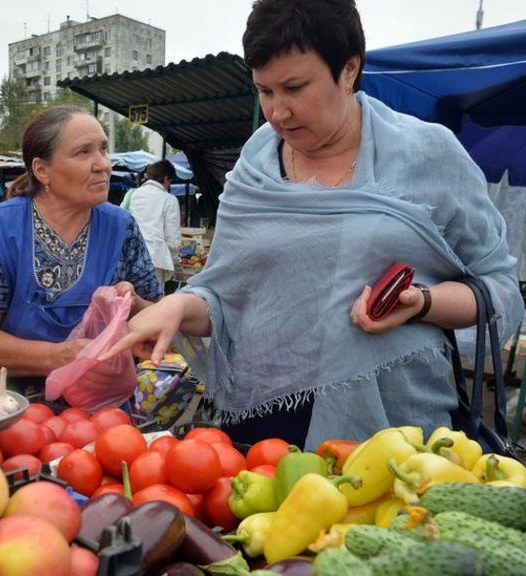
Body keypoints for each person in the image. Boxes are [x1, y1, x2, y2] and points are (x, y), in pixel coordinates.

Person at [103, 0, 524, 450]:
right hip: (260, 425)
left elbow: (498, 287)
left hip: (392, 435)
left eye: (295, 87)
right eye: (265, 91)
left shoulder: (428, 154)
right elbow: (226, 294)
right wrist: (178, 306)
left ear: (348, 70)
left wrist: (421, 301)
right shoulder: (256, 163)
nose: (277, 112)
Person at [0, 105, 163, 392]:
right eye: (83, 152)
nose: (103, 164)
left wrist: (133, 304)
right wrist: (59, 357)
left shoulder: (122, 226)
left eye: (103, 150)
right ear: (42, 170)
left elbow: (158, 322)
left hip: (100, 413)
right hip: (12, 405)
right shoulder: (4, 227)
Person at [125, 160, 181, 284]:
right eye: (170, 182)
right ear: (166, 178)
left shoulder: (133, 194)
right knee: (154, 302)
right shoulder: (169, 199)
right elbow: (173, 238)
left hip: (131, 256)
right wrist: (173, 260)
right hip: (156, 259)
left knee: (132, 300)